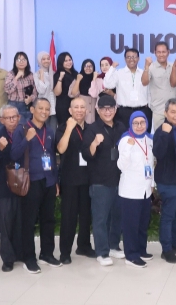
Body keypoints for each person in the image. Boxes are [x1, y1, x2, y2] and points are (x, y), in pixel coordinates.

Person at [11, 97, 61, 273]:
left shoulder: (50, 130)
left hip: (48, 181)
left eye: (47, 109)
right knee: (29, 221)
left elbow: (52, 157)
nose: (44, 112)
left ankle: (47, 254)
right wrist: (26, 139)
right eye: (41, 108)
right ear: (32, 110)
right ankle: (29, 258)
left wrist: (55, 181)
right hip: (30, 181)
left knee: (48, 219)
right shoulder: (22, 129)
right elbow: (14, 155)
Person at [81, 95, 127, 266]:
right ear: (97, 110)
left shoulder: (121, 127)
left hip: (120, 180)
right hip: (100, 181)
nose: (107, 111)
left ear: (115, 109)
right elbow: (87, 154)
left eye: (110, 108)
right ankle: (102, 251)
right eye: (104, 108)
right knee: (100, 218)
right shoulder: (92, 129)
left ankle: (113, 245)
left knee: (116, 216)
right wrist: (94, 143)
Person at [55, 97, 96, 264]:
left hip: (88, 178)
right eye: (76, 107)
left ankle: (84, 246)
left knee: (86, 215)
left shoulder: (91, 129)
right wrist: (69, 129)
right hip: (70, 179)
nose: (79, 110)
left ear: (87, 110)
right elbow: (60, 149)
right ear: (70, 110)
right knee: (69, 217)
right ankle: (65, 252)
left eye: (82, 107)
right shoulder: (63, 127)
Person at [152, 98, 176, 263]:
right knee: (168, 216)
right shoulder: (161, 130)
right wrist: (164, 134)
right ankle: (166, 249)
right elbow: (158, 153)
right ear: (165, 113)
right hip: (169, 181)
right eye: (173, 112)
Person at [0, 104, 23, 272]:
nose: (12, 120)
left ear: (19, 118)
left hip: (22, 184)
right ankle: (7, 259)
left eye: (14, 117)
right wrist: (0, 150)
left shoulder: (24, 134)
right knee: (6, 222)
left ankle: (20, 253)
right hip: (3, 186)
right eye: (8, 118)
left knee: (20, 221)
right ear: (1, 120)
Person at [117, 111, 155, 268]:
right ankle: (131, 255)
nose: (139, 126)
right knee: (131, 225)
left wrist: (152, 183)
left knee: (142, 223)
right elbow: (121, 166)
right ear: (131, 124)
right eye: (136, 123)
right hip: (130, 191)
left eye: (142, 122)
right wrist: (128, 147)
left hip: (146, 189)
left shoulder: (149, 139)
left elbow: (151, 163)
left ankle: (141, 249)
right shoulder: (125, 140)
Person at [103, 48, 151, 129]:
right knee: (123, 135)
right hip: (124, 112)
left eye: (134, 57)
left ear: (138, 58)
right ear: (125, 59)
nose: (131, 59)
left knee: (142, 135)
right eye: (128, 57)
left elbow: (149, 92)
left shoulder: (144, 73)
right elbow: (107, 84)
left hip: (142, 111)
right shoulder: (119, 73)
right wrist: (112, 68)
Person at [142, 42, 176, 131]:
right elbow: (144, 82)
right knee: (160, 136)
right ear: (155, 53)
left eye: (163, 52)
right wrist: (146, 67)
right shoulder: (150, 67)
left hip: (174, 109)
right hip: (159, 110)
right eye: (159, 52)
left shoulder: (173, 66)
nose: (161, 54)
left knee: (175, 135)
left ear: (168, 52)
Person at [4, 52, 36, 126]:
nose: (21, 62)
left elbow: (35, 91)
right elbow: (7, 90)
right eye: (18, 60)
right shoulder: (10, 74)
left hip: (27, 105)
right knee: (14, 127)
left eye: (23, 60)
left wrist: (31, 98)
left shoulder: (30, 75)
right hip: (13, 104)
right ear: (15, 62)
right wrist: (16, 77)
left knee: (27, 127)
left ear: (27, 62)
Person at [68, 59, 97, 124]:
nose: (88, 68)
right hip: (81, 111)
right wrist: (78, 80)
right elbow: (73, 94)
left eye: (90, 66)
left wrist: (94, 79)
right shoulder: (78, 78)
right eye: (86, 66)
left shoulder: (97, 79)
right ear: (82, 67)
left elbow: (95, 94)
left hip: (94, 112)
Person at [34, 52, 58, 131]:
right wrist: (41, 75)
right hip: (43, 108)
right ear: (39, 61)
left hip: (54, 108)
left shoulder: (54, 74)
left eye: (48, 59)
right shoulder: (36, 74)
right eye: (43, 59)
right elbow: (41, 90)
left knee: (53, 132)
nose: (46, 61)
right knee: (42, 131)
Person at [53, 52, 77, 125]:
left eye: (70, 60)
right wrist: (60, 78)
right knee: (64, 127)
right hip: (63, 106)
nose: (69, 62)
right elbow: (57, 93)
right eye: (65, 61)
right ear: (61, 62)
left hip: (74, 105)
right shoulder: (58, 75)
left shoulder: (75, 74)